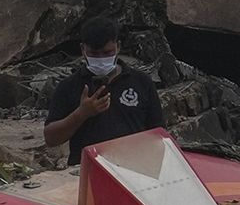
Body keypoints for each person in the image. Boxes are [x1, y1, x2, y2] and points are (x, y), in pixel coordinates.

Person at [44, 17, 166, 165]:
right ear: (83, 49)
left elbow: (158, 135)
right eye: (94, 54)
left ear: (118, 46)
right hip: (88, 169)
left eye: (107, 52)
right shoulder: (69, 86)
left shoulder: (141, 82)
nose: (101, 59)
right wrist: (81, 114)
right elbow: (51, 138)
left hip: (133, 168)